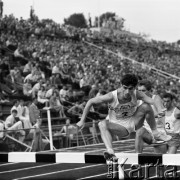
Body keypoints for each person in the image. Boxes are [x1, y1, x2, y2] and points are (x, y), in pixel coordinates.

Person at [77, 74, 171, 159]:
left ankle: (156, 133)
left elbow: (154, 100)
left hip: (132, 123)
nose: (127, 91)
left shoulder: (137, 94)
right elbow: (91, 101)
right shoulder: (111, 96)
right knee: (102, 124)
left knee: (146, 106)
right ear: (121, 85)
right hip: (118, 126)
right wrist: (82, 120)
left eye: (130, 89)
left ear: (135, 88)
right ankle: (110, 151)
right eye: (125, 88)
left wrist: (159, 109)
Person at [135, 80, 168, 153]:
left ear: (150, 90)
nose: (141, 93)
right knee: (139, 132)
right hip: (147, 132)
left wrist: (158, 113)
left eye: (143, 90)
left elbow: (161, 111)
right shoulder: (138, 101)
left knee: (160, 162)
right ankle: (137, 159)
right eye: (139, 90)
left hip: (159, 132)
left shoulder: (156, 98)